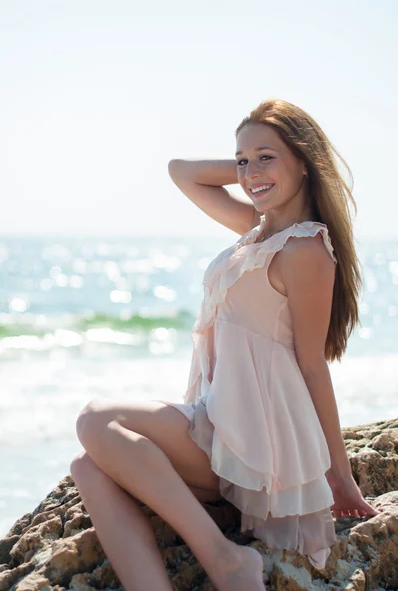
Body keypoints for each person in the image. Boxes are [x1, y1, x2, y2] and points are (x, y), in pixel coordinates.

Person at [70, 99, 383, 591]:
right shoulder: (257, 233)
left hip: (258, 443)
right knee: (88, 467)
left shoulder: (304, 248)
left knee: (94, 418)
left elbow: (311, 365)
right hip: (217, 422)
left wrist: (338, 474)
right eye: (241, 159)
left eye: (266, 156)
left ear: (305, 161)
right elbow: (182, 172)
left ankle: (226, 560)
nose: (249, 171)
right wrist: (260, 172)